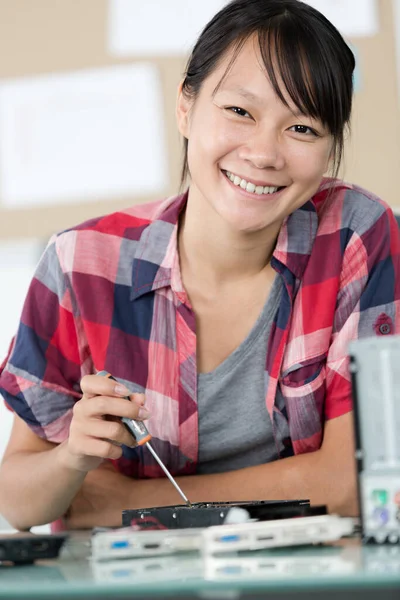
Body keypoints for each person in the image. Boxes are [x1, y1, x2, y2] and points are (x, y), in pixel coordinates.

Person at [0, 0, 399, 531]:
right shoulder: (83, 263)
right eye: (240, 111)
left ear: (330, 148)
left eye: (302, 128)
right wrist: (71, 458)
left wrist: (124, 502)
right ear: (186, 107)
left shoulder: (357, 235)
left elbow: (358, 480)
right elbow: (19, 503)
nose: (264, 153)